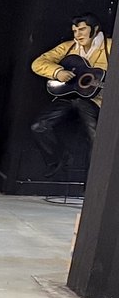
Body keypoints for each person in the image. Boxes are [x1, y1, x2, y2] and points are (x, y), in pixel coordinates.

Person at [28, 12, 108, 188]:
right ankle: (57, 159)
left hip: (93, 100)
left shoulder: (110, 46)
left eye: (82, 29)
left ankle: (93, 185)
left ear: (95, 29)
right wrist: (58, 72)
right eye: (74, 31)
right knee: (39, 126)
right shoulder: (68, 47)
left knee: (96, 137)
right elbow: (38, 63)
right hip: (69, 96)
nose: (77, 35)